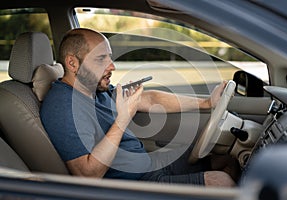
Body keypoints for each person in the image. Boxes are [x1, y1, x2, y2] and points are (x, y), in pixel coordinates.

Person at [40, 28, 237, 187]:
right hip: (135, 184)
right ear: (72, 63)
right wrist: (123, 119)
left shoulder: (95, 89)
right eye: (101, 59)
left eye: (109, 57)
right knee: (221, 182)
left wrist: (206, 103)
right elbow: (88, 176)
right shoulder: (62, 108)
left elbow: (149, 99)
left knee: (226, 159)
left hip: (150, 164)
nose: (112, 66)